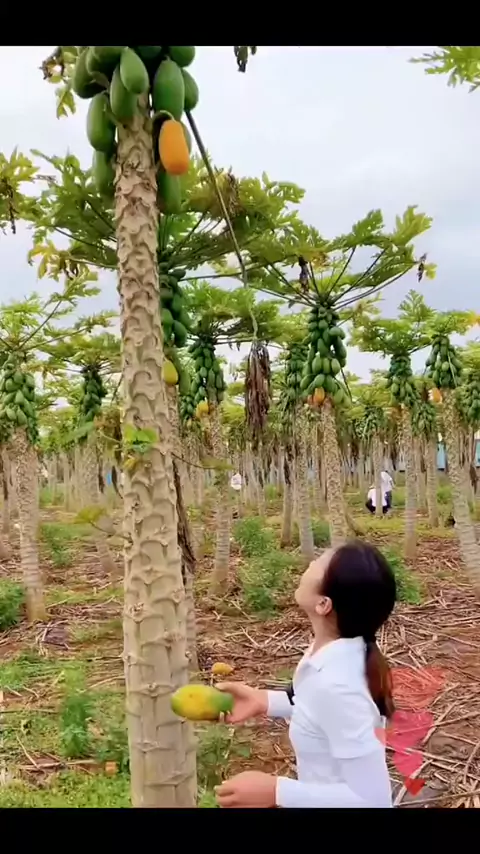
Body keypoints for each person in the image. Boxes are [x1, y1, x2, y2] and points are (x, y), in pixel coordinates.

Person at [215, 542, 396, 809]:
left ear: (323, 604)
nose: (311, 563)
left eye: (320, 563)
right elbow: (317, 707)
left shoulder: (339, 687)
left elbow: (373, 800)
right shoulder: (331, 653)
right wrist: (264, 701)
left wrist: (277, 792)